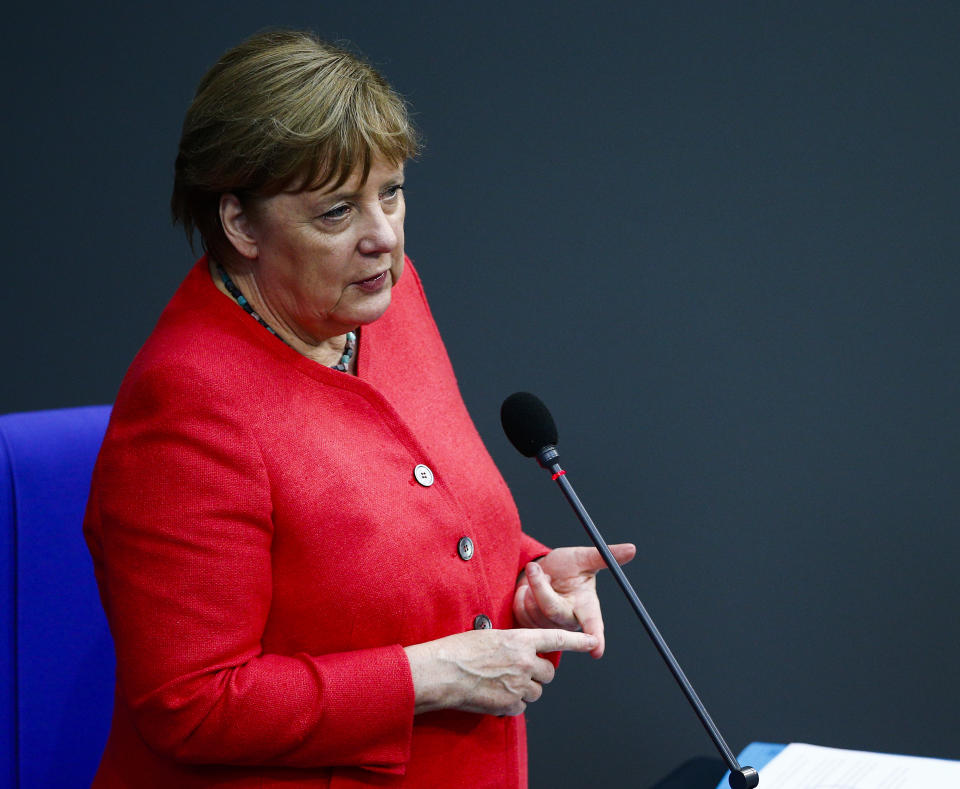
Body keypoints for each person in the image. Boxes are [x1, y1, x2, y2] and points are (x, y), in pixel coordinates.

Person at [83, 29, 635, 788]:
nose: (384, 237)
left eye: (393, 191)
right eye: (337, 211)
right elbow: (190, 702)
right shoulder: (185, 406)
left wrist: (523, 569)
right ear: (240, 223)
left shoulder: (386, 299)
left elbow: (402, 517)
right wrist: (426, 677)